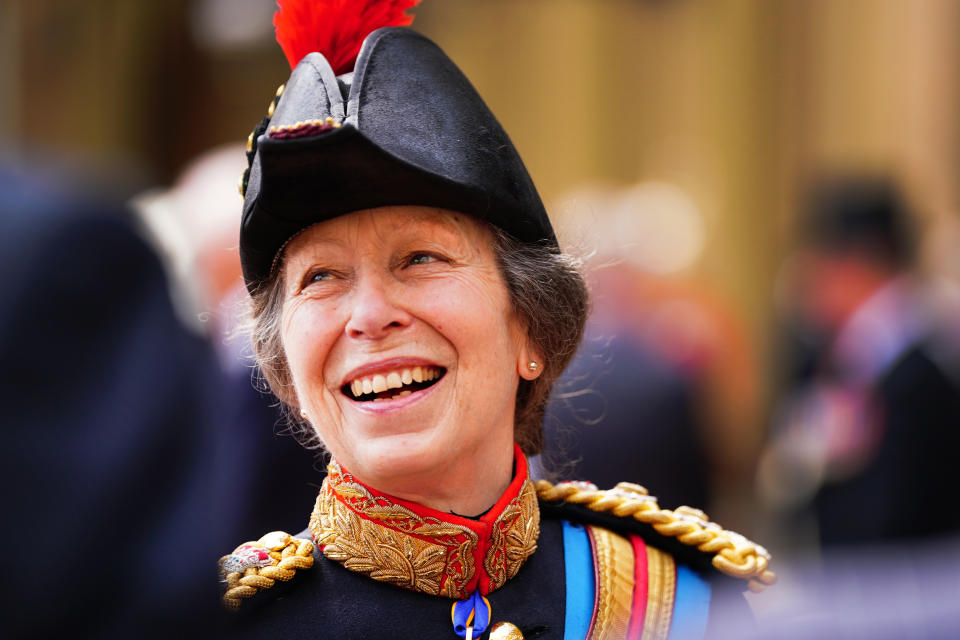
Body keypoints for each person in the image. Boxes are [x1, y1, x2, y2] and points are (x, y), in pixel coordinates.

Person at [218, 2, 775, 638]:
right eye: (320, 278)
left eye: (420, 258)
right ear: (286, 369)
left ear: (532, 327)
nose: (369, 317)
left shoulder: (675, 603)